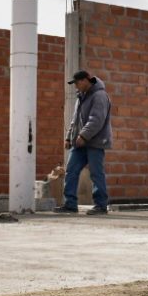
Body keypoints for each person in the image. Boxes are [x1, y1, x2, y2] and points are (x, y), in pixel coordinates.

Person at [57, 70, 113, 215]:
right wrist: (69, 137)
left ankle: (101, 205)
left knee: (96, 173)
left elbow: (97, 120)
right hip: (80, 142)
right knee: (71, 170)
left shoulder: (99, 95)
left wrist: (83, 136)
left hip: (95, 142)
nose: (76, 86)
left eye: (77, 83)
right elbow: (75, 120)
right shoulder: (81, 97)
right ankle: (70, 204)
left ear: (85, 80)